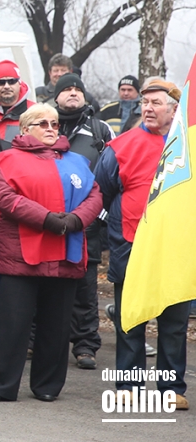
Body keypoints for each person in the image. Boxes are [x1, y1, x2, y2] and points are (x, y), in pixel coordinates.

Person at [0, 103, 102, 403]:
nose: (51, 128)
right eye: (42, 123)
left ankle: (48, 385)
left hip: (65, 255)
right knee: (13, 326)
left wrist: (75, 220)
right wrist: (47, 218)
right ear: (24, 129)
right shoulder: (8, 159)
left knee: (56, 326)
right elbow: (4, 197)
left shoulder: (77, 161)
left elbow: (95, 194)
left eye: (54, 123)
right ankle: (0, 386)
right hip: (21, 255)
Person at [94, 79, 190, 411]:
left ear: (174, 109)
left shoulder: (188, 147)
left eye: (155, 103)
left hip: (177, 249)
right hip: (131, 246)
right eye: (144, 103)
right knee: (130, 318)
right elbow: (101, 194)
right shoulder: (121, 146)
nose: (147, 108)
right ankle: (129, 385)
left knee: (174, 321)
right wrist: (113, 235)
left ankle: (171, 387)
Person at [52, 74, 114, 370]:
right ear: (56, 97)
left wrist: (99, 215)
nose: (73, 93)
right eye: (67, 89)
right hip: (48, 222)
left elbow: (113, 176)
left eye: (78, 89)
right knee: (45, 281)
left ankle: (85, 344)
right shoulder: (45, 122)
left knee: (85, 288)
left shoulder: (100, 130)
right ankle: (37, 338)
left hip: (87, 223)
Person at [0, 60, 36, 151]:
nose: (6, 86)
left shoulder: (34, 111)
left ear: (19, 83)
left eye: (11, 81)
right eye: (1, 82)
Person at [36, 54, 101, 111]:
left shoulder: (87, 98)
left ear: (70, 71)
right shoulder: (37, 94)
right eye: (56, 70)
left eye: (63, 70)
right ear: (50, 73)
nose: (59, 74)